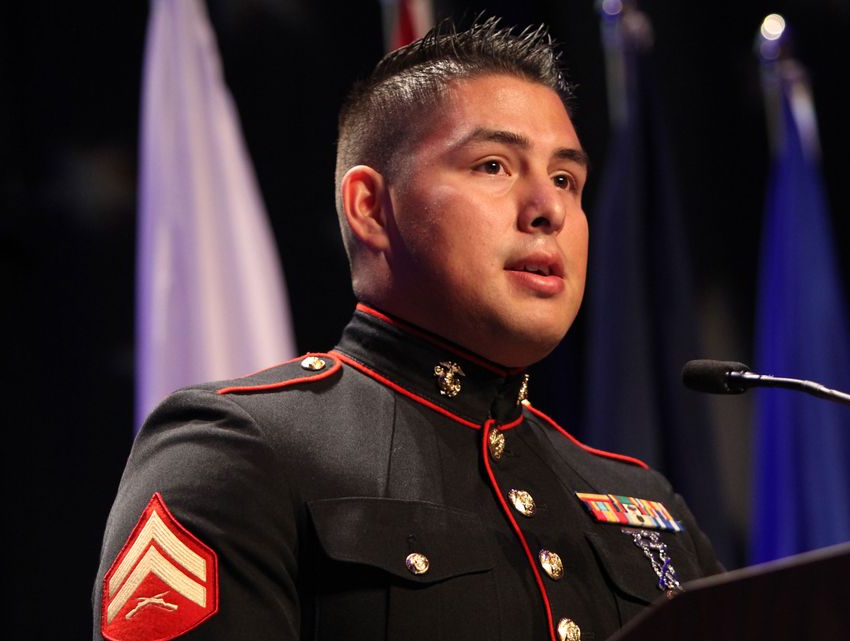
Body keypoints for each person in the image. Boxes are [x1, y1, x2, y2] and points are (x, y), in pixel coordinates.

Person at [94, 17, 722, 641]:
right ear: (370, 207)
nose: (549, 209)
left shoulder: (643, 499)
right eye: (494, 166)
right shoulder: (238, 451)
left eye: (566, 179)